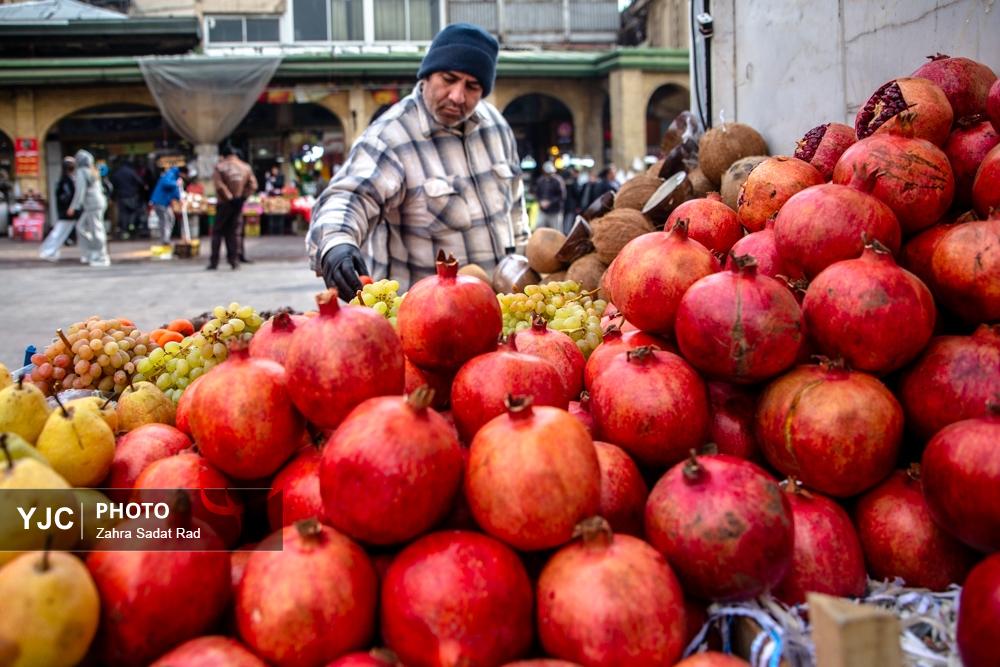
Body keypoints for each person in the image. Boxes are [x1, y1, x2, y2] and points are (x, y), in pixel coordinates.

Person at [307, 22, 528, 295]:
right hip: (422, 319)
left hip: (497, 310)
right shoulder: (390, 136)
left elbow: (516, 211)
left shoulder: (496, 126)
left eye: (472, 86)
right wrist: (337, 242)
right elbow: (350, 197)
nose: (457, 96)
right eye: (448, 79)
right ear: (426, 76)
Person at [210, 146, 257, 270]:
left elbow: (219, 185)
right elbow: (253, 185)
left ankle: (214, 262)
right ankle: (234, 261)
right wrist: (241, 198)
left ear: (224, 155)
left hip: (224, 204)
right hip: (238, 204)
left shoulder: (219, 167)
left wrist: (230, 198)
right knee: (235, 232)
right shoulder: (245, 167)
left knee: (217, 232)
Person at [66, 149, 111, 267]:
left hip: (92, 204)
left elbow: (80, 191)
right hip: (96, 203)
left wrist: (73, 207)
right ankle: (91, 253)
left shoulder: (81, 171)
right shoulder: (92, 170)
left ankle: (101, 257)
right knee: (82, 227)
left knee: (96, 231)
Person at [39, 157, 80, 262]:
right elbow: (67, 196)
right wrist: (70, 208)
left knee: (61, 232)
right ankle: (48, 250)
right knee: (59, 232)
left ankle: (50, 250)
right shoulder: (67, 180)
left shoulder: (67, 179)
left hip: (67, 211)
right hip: (67, 212)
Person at [110, 158, 146, 240]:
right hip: (132, 196)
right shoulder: (131, 172)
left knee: (123, 214)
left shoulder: (117, 173)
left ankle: (124, 231)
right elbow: (140, 182)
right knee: (133, 213)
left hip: (121, 196)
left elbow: (113, 185)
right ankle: (132, 228)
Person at [150, 165, 183, 248]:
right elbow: (166, 183)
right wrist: (176, 183)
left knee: (170, 218)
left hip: (165, 203)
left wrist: (179, 198)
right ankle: (165, 240)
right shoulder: (169, 175)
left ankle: (166, 238)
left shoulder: (173, 177)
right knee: (165, 221)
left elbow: (175, 192)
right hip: (160, 203)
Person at [532, 161, 566, 231]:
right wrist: (540, 201)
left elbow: (562, 196)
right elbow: (537, 193)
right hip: (543, 211)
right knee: (539, 227)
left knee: (556, 230)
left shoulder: (558, 181)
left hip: (555, 211)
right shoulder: (541, 180)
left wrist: (550, 202)